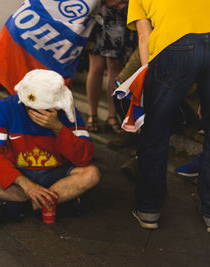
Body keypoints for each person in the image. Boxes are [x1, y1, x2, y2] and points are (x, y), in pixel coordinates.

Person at [0, 69, 100, 224]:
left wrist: (58, 127)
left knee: (92, 174)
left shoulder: (68, 110)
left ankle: (24, 207)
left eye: (52, 108)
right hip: (19, 173)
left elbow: (84, 157)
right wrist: (26, 184)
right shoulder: (5, 107)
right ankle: (54, 203)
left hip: (57, 174)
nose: (48, 112)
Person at [127, 0, 210, 231]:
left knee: (155, 132)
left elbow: (144, 35)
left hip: (174, 48)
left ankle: (148, 210)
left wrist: (146, 79)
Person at [85, 5, 137, 133]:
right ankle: (92, 114)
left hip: (121, 15)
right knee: (96, 66)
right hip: (100, 13)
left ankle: (112, 116)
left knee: (116, 67)